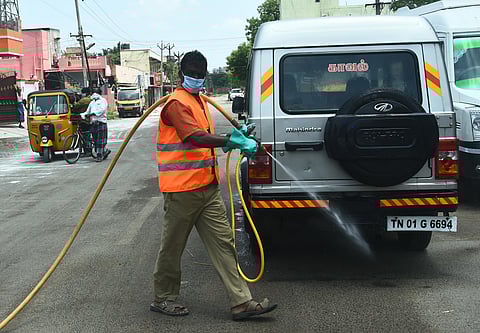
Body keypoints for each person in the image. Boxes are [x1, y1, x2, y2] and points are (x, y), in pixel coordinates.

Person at [152, 50, 277, 320]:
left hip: (207, 190)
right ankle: (164, 298)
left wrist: (239, 134)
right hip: (181, 192)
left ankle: (241, 302)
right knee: (172, 248)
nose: (196, 78)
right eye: (191, 73)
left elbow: (205, 136)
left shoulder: (200, 102)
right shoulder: (175, 103)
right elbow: (193, 136)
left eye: (200, 74)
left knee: (224, 244)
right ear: (180, 74)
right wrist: (230, 141)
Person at [80, 87, 111, 162]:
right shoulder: (92, 103)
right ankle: (104, 151)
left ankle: (99, 155)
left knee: (100, 140)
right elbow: (87, 111)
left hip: (101, 122)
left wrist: (94, 113)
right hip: (93, 123)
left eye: (95, 92)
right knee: (95, 140)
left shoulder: (103, 101)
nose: (94, 94)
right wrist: (83, 115)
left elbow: (102, 110)